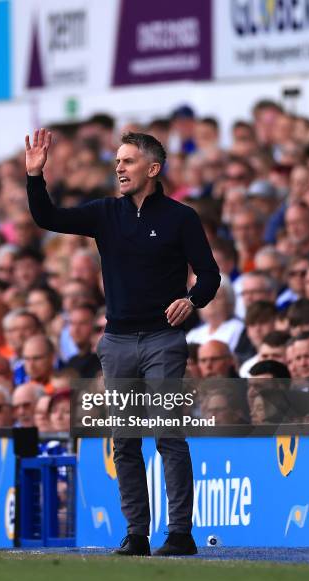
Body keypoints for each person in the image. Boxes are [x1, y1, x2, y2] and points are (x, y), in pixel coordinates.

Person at [26, 128, 220, 557]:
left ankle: (180, 533)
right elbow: (48, 218)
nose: (119, 167)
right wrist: (35, 177)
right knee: (124, 440)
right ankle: (136, 533)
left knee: (169, 436)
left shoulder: (180, 217)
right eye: (117, 161)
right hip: (115, 342)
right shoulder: (104, 213)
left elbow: (209, 275)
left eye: (128, 161)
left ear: (152, 169)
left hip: (163, 341)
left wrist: (192, 301)